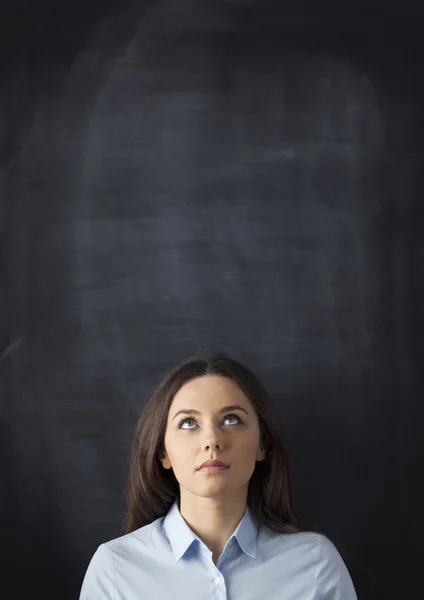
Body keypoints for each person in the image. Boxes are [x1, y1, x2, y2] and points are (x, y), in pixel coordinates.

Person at [79, 352, 358, 599]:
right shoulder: (115, 568)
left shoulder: (315, 564)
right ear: (162, 452)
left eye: (231, 419)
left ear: (262, 445)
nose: (211, 440)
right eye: (188, 423)